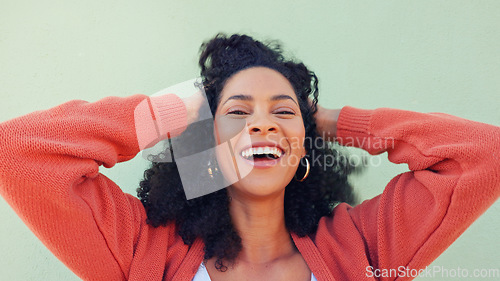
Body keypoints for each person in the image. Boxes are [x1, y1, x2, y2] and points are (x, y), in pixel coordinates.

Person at [0, 33, 498, 281]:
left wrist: (333, 121)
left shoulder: (366, 253)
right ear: (207, 148)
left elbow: (484, 156)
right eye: (238, 112)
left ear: (305, 146)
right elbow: (16, 152)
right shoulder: (144, 254)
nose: (263, 124)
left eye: (283, 113)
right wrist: (167, 110)